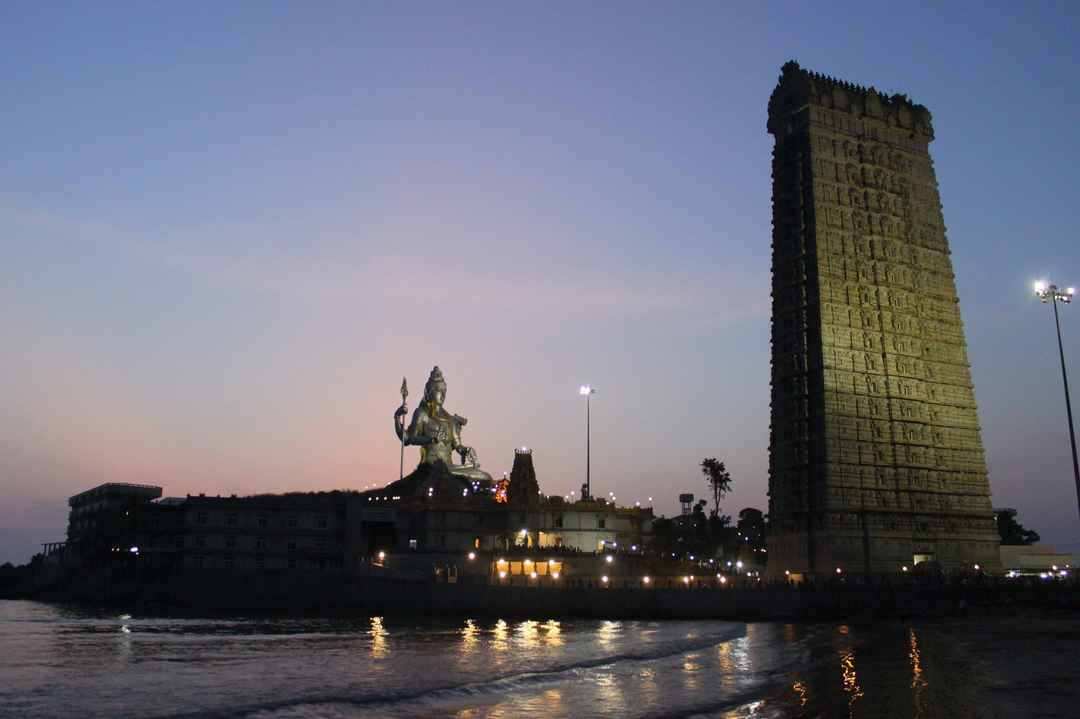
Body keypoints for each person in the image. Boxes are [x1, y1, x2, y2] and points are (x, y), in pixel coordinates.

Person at [394, 366, 492, 482]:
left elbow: (458, 446)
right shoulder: (422, 414)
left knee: (485, 477)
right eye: (439, 391)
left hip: (449, 467)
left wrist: (467, 450)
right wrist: (397, 417)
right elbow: (408, 438)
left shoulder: (450, 420)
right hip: (430, 465)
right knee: (442, 474)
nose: (443, 395)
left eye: (444, 391)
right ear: (429, 393)